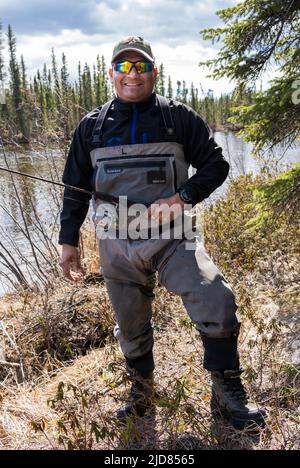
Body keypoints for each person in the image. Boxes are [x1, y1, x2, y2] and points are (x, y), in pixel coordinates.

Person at [58, 36, 266, 430]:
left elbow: (215, 166)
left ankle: (227, 393)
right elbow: (74, 188)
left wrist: (182, 197)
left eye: (140, 66)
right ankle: (141, 392)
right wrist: (68, 241)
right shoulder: (92, 128)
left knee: (216, 299)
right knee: (131, 324)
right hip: (116, 245)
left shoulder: (178, 118)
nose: (132, 74)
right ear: (111, 74)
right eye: (123, 67)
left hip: (175, 238)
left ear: (154, 71)